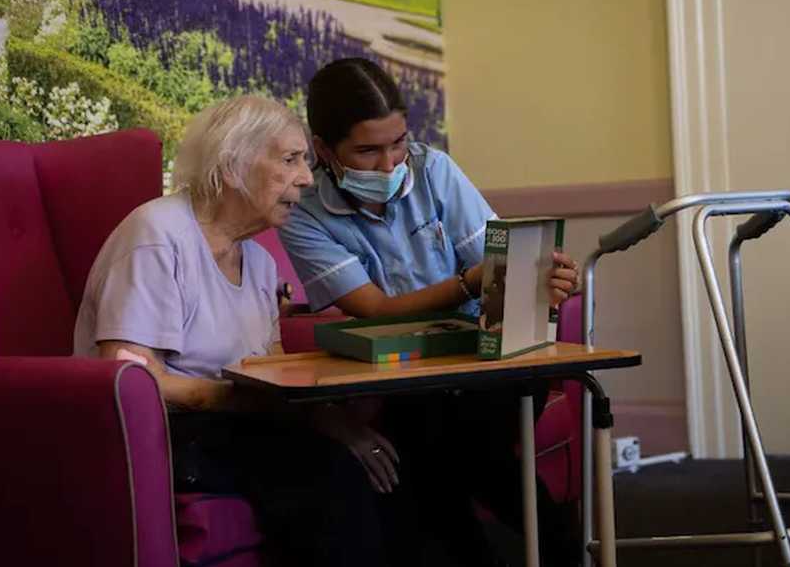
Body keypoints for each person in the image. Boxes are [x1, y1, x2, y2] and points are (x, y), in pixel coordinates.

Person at [73, 95, 420, 567]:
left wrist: (337, 425)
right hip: (164, 435)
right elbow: (131, 375)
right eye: (290, 159)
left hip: (233, 424)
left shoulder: (256, 260)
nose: (304, 177)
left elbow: (269, 372)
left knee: (384, 470)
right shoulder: (158, 233)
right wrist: (240, 401)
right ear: (232, 163)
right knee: (329, 478)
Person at [279, 58, 581, 567]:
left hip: (484, 362)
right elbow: (376, 312)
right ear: (324, 149)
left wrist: (542, 283)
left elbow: (499, 268)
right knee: (446, 446)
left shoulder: (434, 169)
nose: (390, 163)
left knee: (442, 445)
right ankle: (563, 552)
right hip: (402, 375)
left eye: (398, 142)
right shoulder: (302, 214)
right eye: (368, 150)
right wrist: (470, 281)